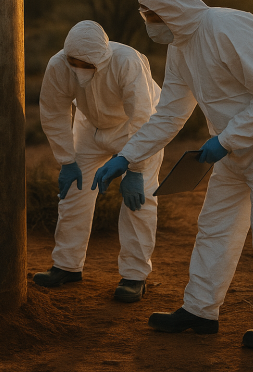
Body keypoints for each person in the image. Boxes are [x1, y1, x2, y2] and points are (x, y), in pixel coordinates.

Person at [93, 0, 253, 349]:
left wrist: (226, 139)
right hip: (228, 147)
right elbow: (170, 114)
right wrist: (126, 158)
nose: (148, 23)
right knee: (215, 226)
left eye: (151, 15)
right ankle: (200, 311)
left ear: (171, 8)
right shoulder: (180, 46)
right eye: (144, 16)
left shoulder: (231, 27)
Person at [32, 20, 164, 303]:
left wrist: (134, 168)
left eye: (86, 64)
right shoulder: (58, 65)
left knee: (138, 200)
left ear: (102, 58)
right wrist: (66, 160)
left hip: (135, 130)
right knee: (73, 194)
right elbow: (53, 112)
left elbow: (142, 116)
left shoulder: (126, 62)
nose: (78, 67)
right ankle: (66, 265)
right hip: (90, 127)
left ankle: (134, 276)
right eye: (73, 61)